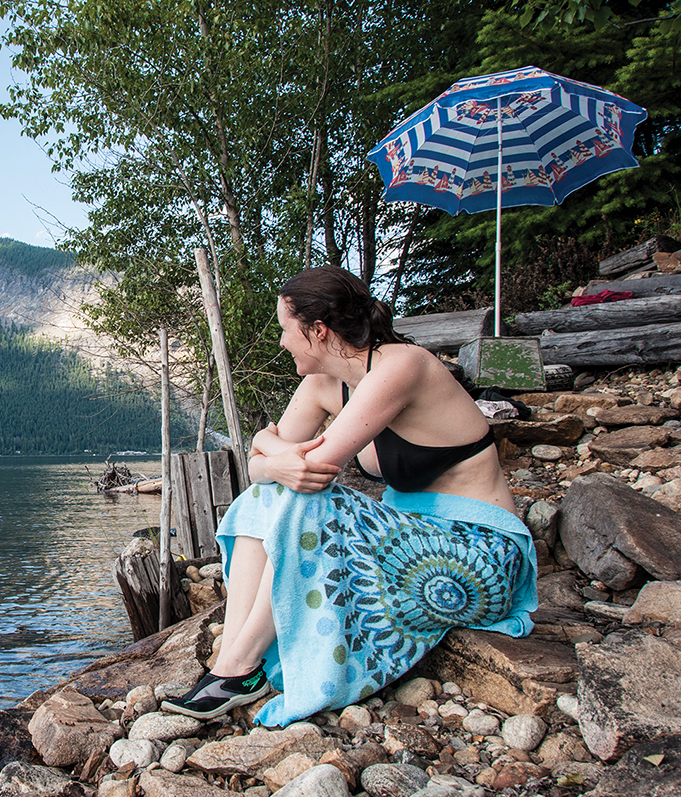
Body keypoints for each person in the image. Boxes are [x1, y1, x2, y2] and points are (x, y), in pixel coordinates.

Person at [161, 267, 537, 726]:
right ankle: (234, 666)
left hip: (477, 558)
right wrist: (271, 455)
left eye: (285, 329)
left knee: (305, 498)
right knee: (264, 496)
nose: (281, 342)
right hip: (410, 547)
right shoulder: (324, 384)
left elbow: (313, 470)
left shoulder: (403, 366)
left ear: (318, 331)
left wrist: (268, 445)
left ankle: (238, 666)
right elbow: (260, 471)